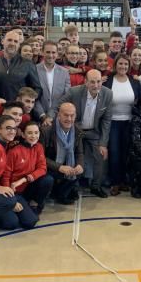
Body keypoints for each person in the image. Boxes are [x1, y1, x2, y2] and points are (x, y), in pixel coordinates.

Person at [59, 70, 113, 198]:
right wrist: (49, 117)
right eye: (92, 82)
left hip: (94, 131)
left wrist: (103, 143)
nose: (96, 85)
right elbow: (59, 105)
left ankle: (96, 186)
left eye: (98, 81)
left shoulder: (108, 94)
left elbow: (106, 120)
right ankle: (73, 187)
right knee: (72, 155)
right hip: (75, 130)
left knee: (101, 156)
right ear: (86, 82)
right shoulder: (74, 91)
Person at [105, 54, 141, 196]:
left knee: (126, 152)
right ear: (115, 65)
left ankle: (124, 181)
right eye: (120, 64)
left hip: (129, 122)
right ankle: (115, 182)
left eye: (126, 64)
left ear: (129, 66)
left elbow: (139, 102)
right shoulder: (107, 81)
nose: (123, 67)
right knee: (114, 152)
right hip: (112, 122)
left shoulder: (134, 82)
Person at [40, 102, 84, 205]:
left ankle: (61, 194)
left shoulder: (77, 131)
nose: (69, 119)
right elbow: (40, 157)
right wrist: (59, 167)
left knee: (80, 170)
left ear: (75, 116)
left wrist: (80, 165)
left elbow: (79, 153)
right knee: (48, 179)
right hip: (50, 167)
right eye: (65, 115)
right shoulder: (46, 131)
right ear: (58, 115)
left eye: (72, 115)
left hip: (67, 165)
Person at [5, 122, 52, 215]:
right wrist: (9, 195)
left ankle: (34, 203)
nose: (33, 136)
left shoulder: (39, 147)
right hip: (15, 190)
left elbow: (42, 168)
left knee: (47, 179)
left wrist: (25, 179)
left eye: (36, 132)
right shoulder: (14, 151)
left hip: (28, 186)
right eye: (30, 133)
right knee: (20, 222)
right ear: (23, 134)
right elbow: (6, 175)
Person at [0, 30, 42, 102]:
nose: (12, 43)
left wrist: (26, 101)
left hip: (20, 110)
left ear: (19, 45)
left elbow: (37, 89)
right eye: (9, 40)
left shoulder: (28, 64)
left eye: (16, 41)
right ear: (2, 41)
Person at [35, 40, 71, 127]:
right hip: (38, 117)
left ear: (57, 54)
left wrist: (51, 115)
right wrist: (43, 115)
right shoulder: (34, 70)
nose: (51, 55)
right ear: (42, 52)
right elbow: (33, 95)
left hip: (58, 116)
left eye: (53, 52)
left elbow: (65, 96)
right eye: (47, 52)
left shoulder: (64, 72)